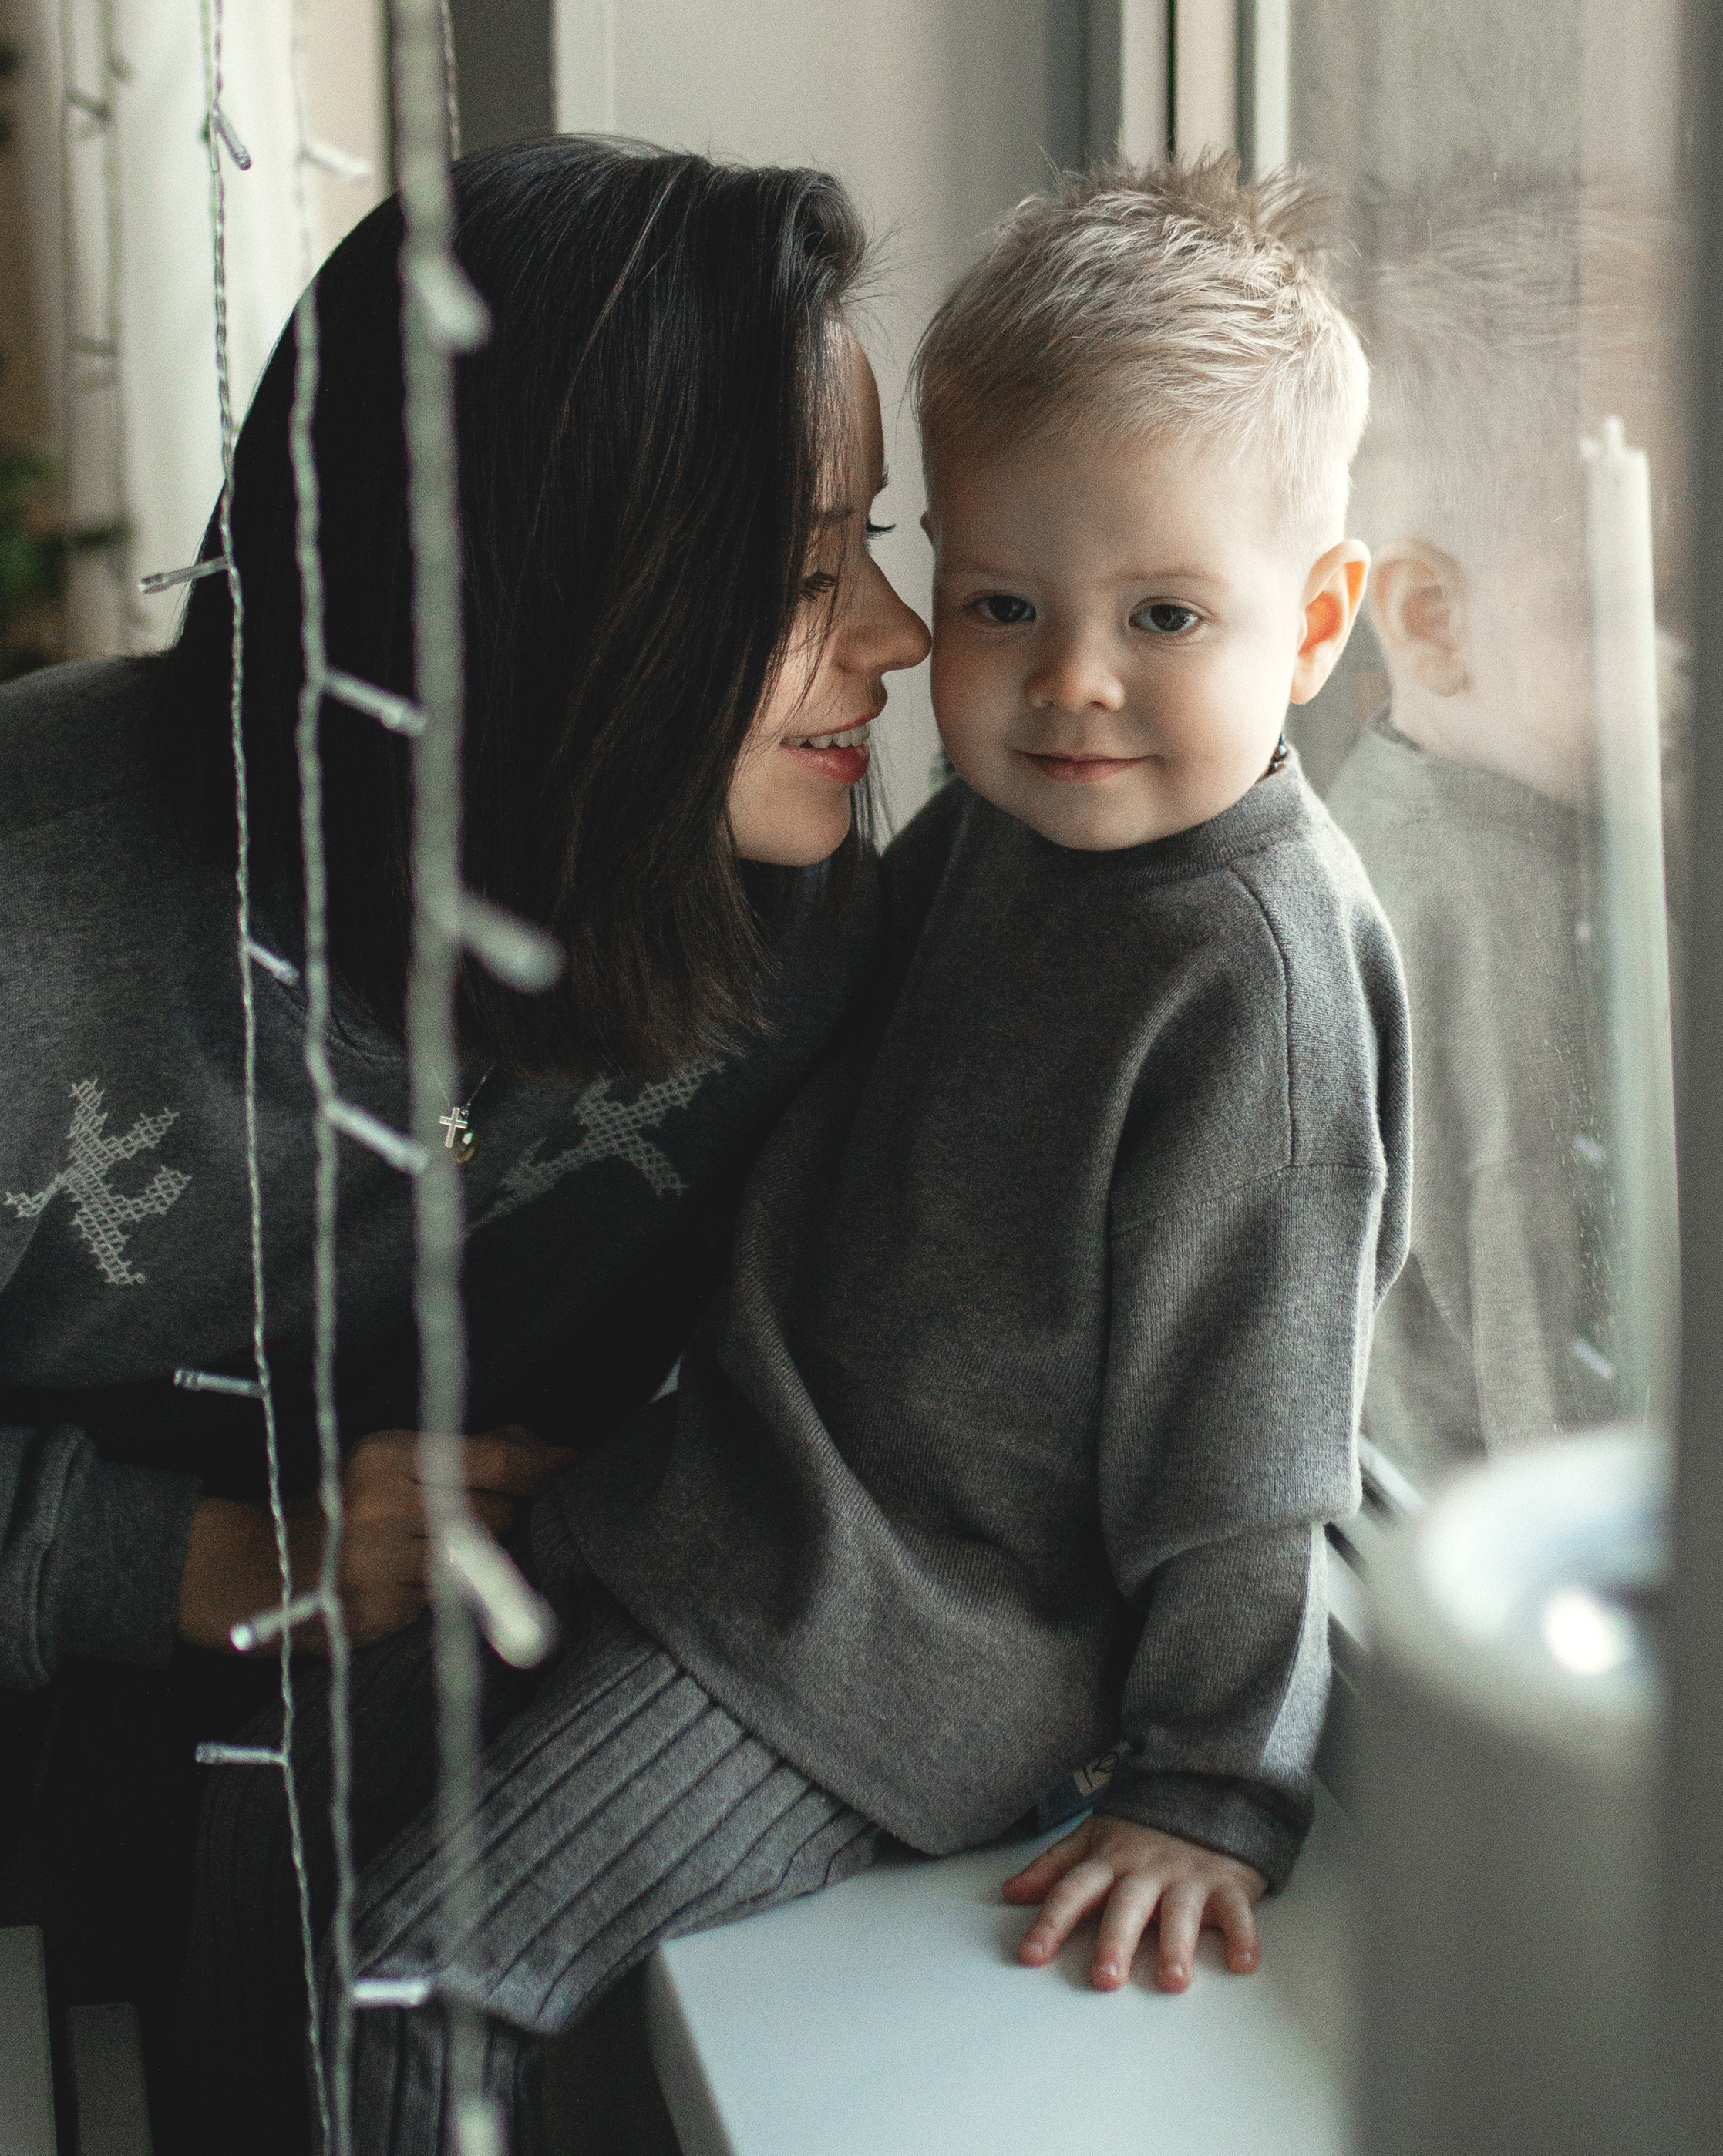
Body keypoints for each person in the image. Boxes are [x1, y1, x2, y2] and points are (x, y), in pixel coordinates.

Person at [321, 154, 1408, 2148]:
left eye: (1165, 613)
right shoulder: (1006, 830)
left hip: (890, 1649)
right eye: (1003, 603)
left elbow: (1259, 1440)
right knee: (303, 1757)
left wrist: (1214, 1788)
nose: (1070, 681)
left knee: (411, 1974)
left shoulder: (1255, 973)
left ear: (1319, 620)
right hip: (715, 1509)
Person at [0, 136, 930, 2149]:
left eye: (876, 545)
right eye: (806, 579)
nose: (904, 637)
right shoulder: (30, 925)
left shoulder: (809, 913)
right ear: (551, 625)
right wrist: (224, 1560)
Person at [1324, 166, 1624, 1484]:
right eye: (1620, 605)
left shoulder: (1404, 781)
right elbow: (1546, 1366)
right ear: (1434, 623)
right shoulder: (1497, 916)